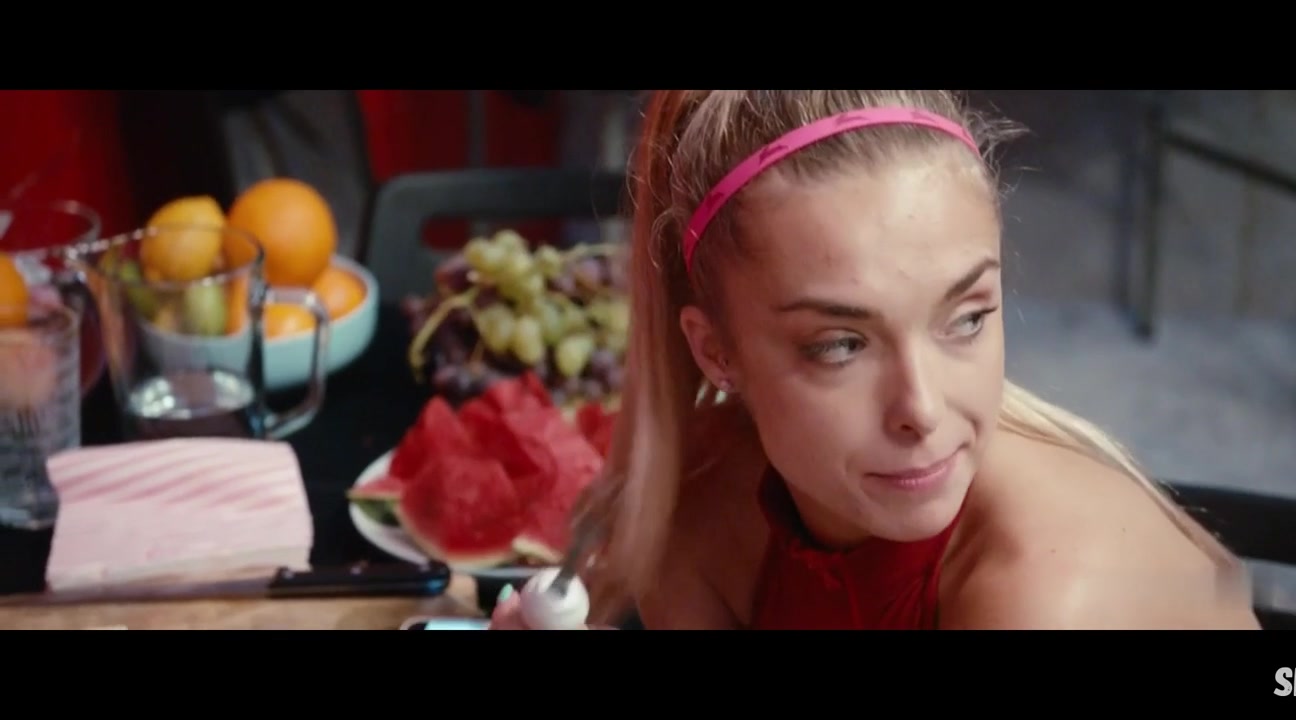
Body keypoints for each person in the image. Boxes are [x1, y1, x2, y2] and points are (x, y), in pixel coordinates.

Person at [490, 90, 1261, 630]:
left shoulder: (1047, 589)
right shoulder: (697, 505)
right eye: (841, 345)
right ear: (715, 352)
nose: (922, 409)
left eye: (966, 319)